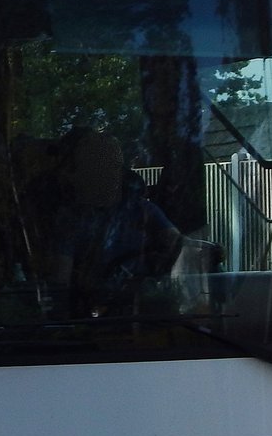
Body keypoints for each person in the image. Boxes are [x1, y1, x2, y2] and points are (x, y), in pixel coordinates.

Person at [49, 127, 181, 317]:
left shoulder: (143, 210)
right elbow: (60, 285)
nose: (110, 174)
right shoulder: (71, 220)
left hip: (147, 311)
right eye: (99, 167)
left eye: (114, 166)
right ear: (80, 173)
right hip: (97, 316)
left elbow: (178, 245)